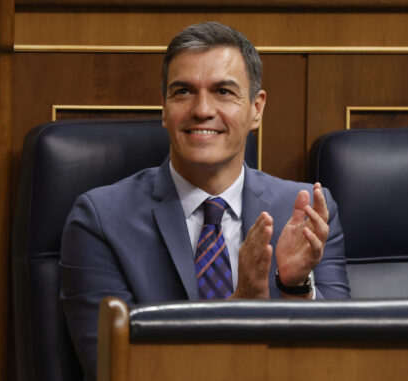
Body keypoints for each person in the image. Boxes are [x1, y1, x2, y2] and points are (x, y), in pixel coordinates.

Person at [60, 21, 350, 379]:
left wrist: (294, 288)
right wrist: (239, 306)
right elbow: (114, 368)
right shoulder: (100, 220)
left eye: (223, 92)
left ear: (256, 109)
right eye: (183, 92)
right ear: (164, 108)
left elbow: (339, 360)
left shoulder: (306, 213)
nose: (202, 109)